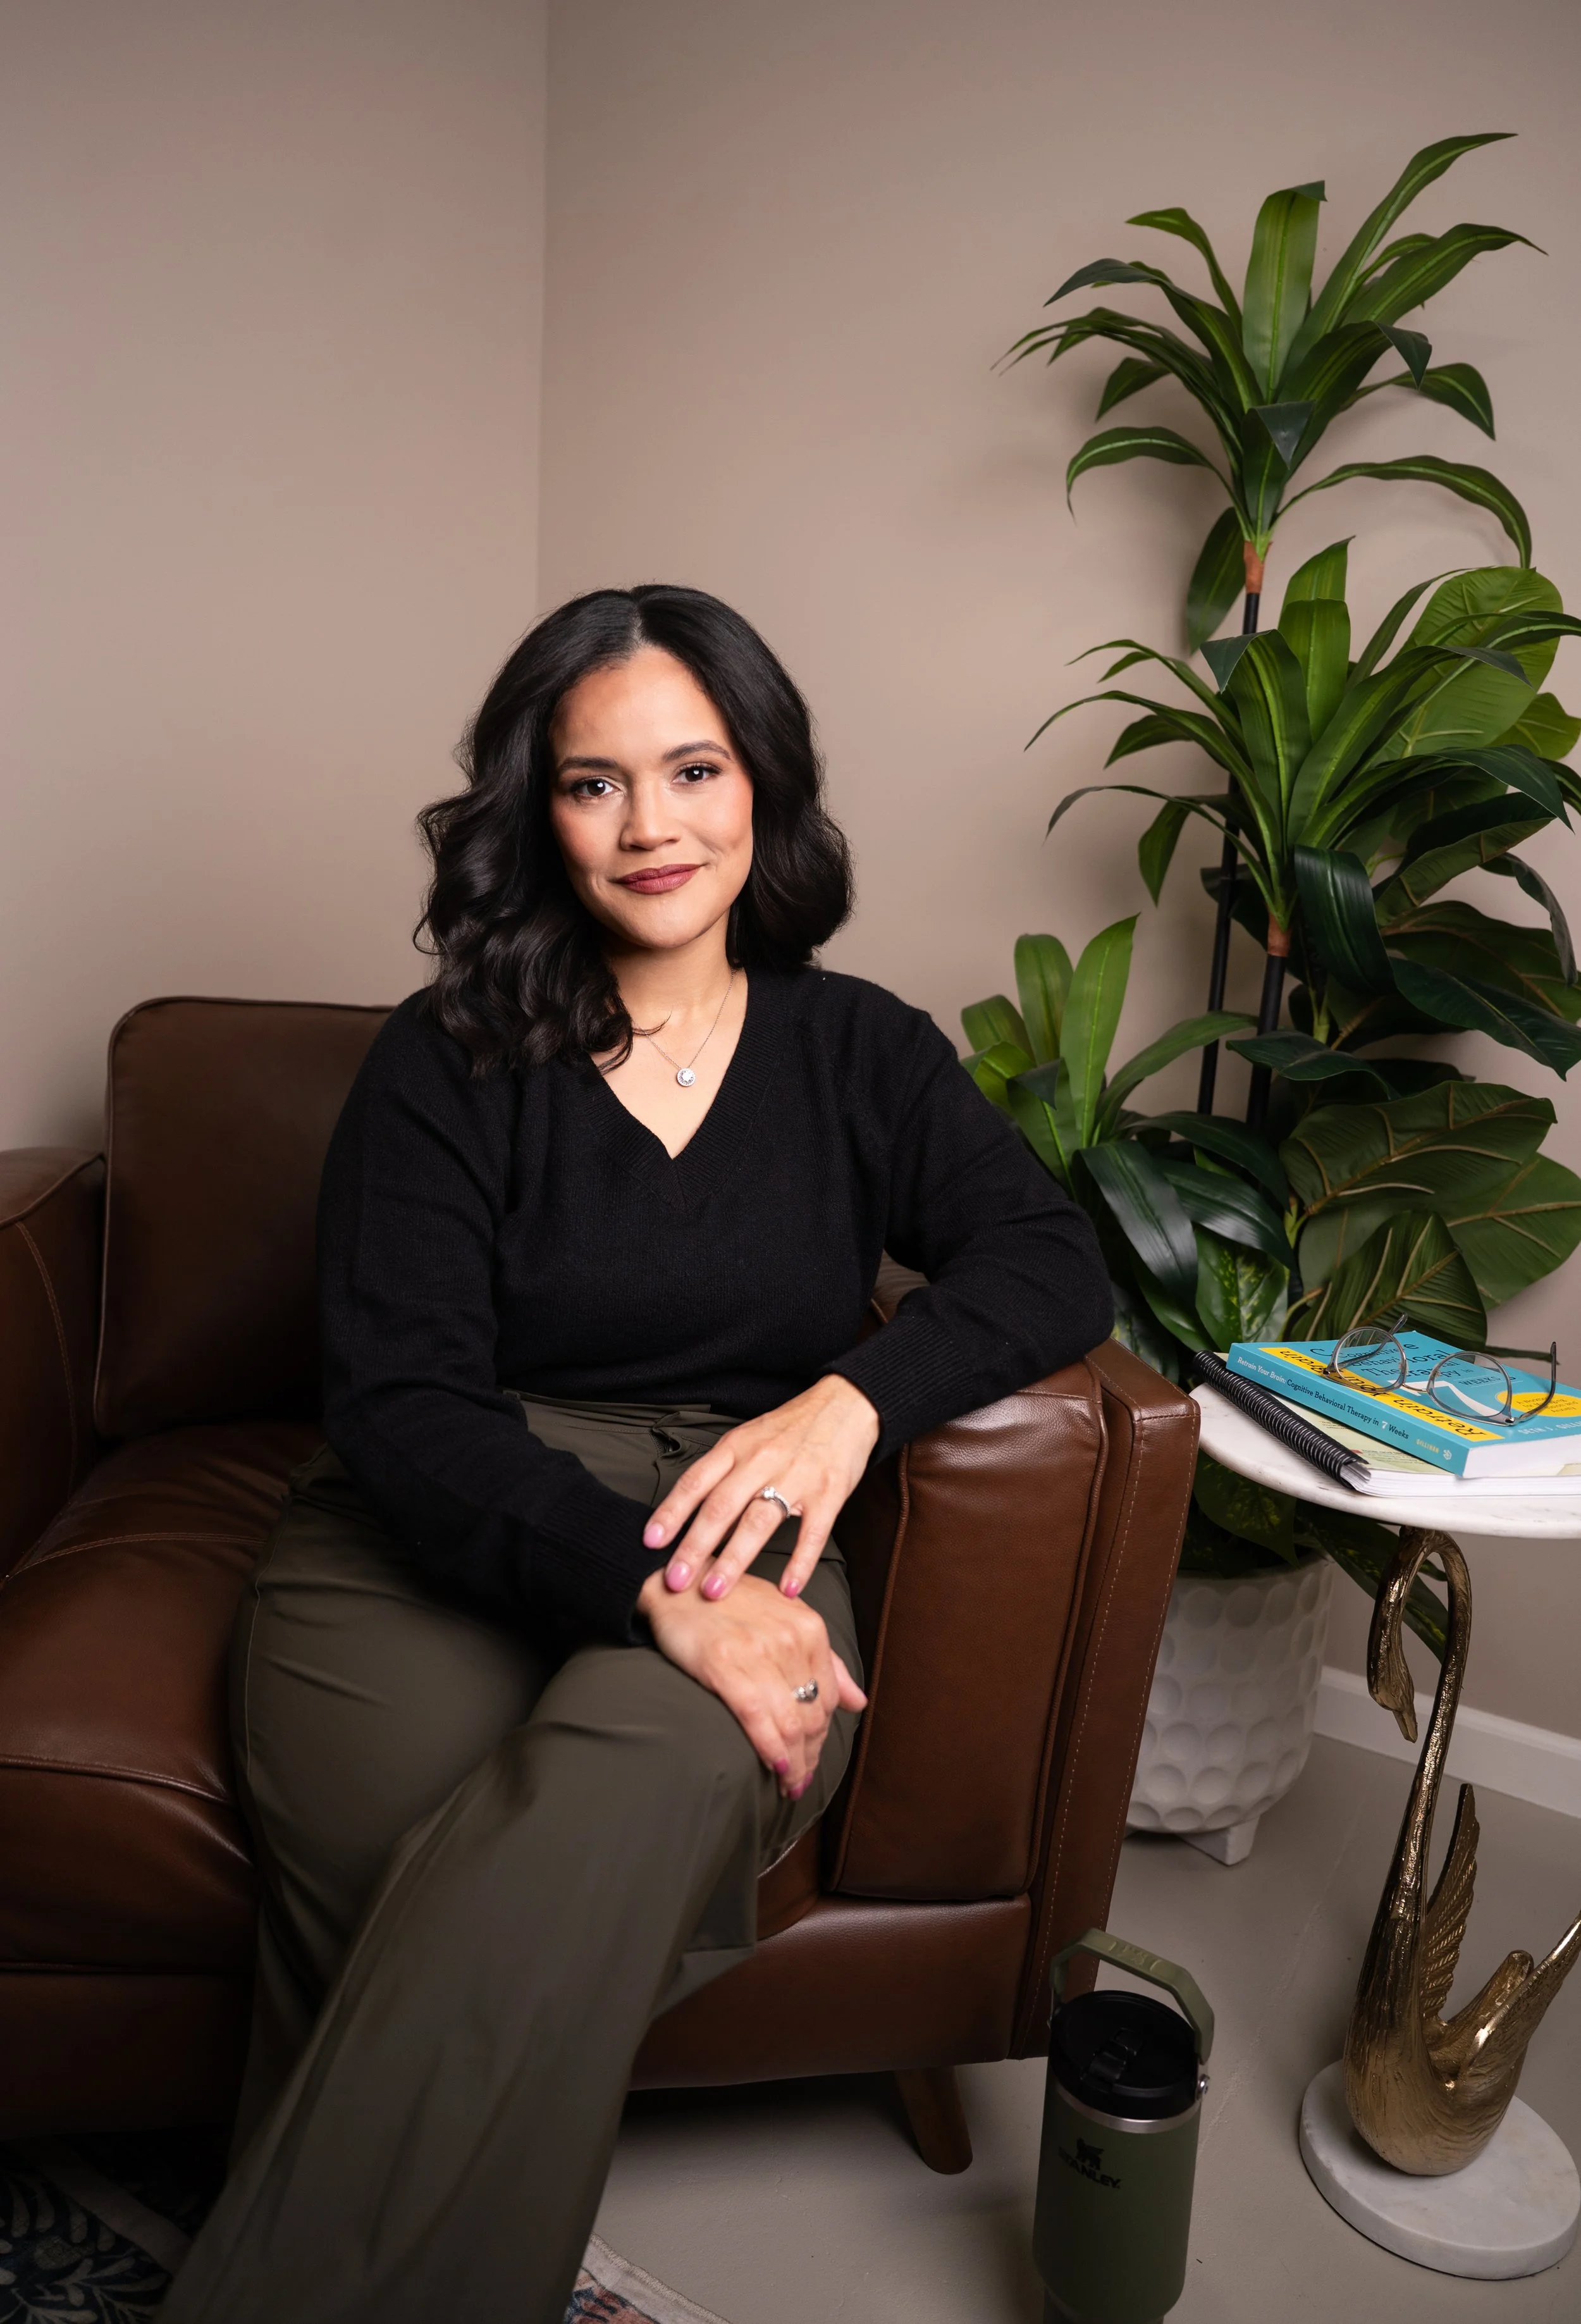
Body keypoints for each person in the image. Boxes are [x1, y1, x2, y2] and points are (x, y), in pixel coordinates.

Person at [159, 584, 1112, 2323]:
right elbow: (402, 1409)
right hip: (422, 1524)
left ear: (765, 783)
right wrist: (646, 1590)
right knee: (428, 1869)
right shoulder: (441, 1060)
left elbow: (1053, 1260)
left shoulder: (862, 1053)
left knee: (605, 1802)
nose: (652, 824)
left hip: (733, 1500)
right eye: (594, 783)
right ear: (537, 811)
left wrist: (851, 1400)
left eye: (693, 767)